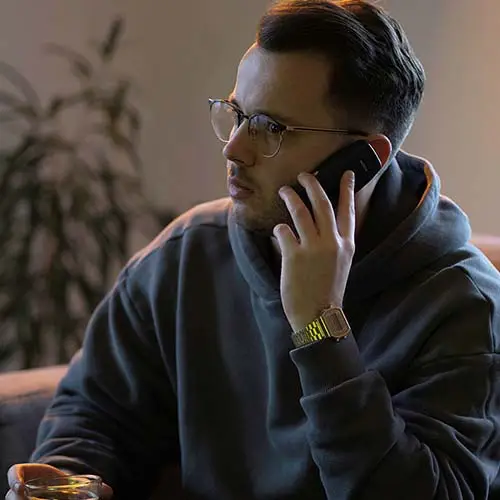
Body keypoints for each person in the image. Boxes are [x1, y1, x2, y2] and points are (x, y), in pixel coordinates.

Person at [6, 0, 500, 499]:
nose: (234, 149)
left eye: (270, 128)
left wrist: (319, 328)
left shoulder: (463, 304)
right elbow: (95, 413)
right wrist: (71, 482)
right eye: (237, 114)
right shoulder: (187, 253)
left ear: (364, 159)